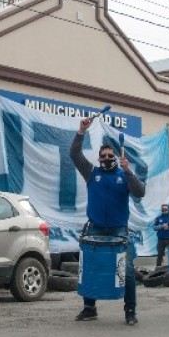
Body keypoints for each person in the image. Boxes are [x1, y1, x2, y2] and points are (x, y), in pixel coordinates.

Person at [70, 117, 146, 326]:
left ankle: (130, 312)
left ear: (116, 156)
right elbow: (74, 155)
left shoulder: (124, 176)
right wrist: (81, 131)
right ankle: (89, 309)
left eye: (109, 155)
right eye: (102, 155)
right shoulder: (91, 173)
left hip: (119, 231)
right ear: (99, 157)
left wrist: (128, 171)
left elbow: (140, 192)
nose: (106, 158)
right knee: (91, 268)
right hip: (94, 229)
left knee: (128, 272)